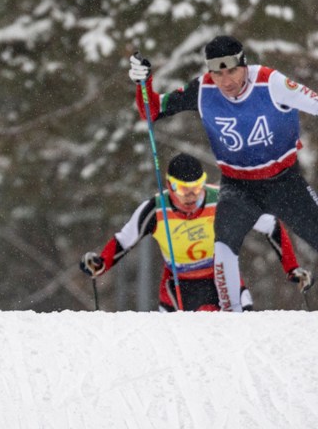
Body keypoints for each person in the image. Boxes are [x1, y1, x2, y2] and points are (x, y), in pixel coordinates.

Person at [128, 35, 318, 310]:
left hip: (284, 180)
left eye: (232, 71)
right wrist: (143, 83)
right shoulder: (204, 89)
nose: (226, 81)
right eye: (218, 73)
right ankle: (230, 316)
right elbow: (152, 111)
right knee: (224, 245)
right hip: (238, 185)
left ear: (244, 65)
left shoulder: (271, 82)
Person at [80, 153, 311, 311]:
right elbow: (123, 241)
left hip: (221, 277)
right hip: (179, 285)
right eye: (183, 190)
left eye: (197, 187)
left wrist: (292, 268)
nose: (191, 195)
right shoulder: (154, 210)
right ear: (170, 186)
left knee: (244, 329)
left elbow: (272, 226)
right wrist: (100, 264)